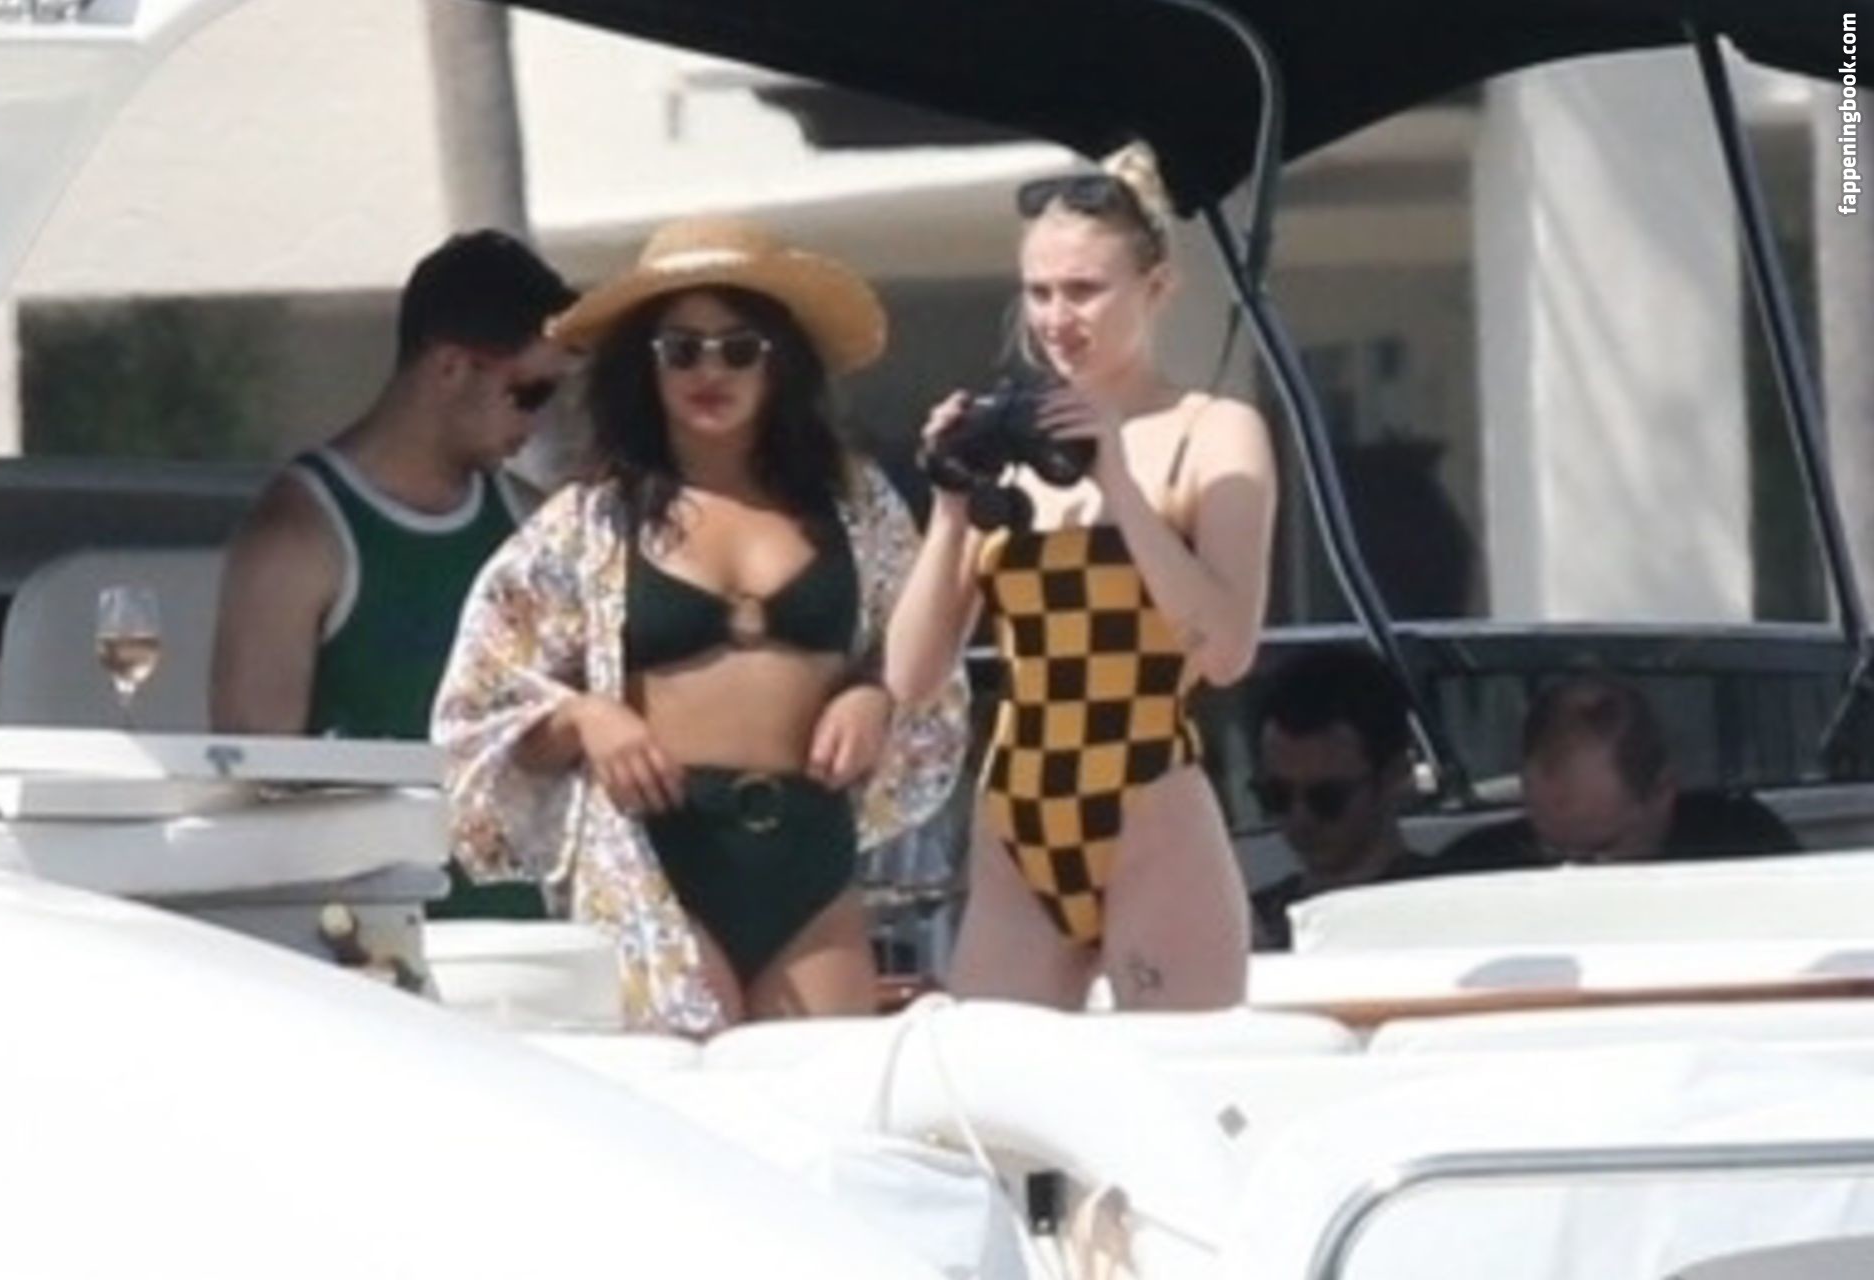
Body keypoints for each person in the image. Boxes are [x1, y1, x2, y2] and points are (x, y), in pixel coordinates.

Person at [431, 215, 969, 1034]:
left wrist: (873, 695)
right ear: (643, 366)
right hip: (656, 861)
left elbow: (926, 657)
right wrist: (585, 717)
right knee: (675, 1098)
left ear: (778, 361)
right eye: (680, 349)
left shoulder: (858, 506)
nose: (708, 371)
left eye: (738, 349)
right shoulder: (589, 522)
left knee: (826, 1096)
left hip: (812, 857)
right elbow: (479, 706)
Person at [886, 145, 1278, 1011]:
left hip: (1146, 801)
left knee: (1174, 1073)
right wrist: (949, 507)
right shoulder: (1011, 443)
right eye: (1039, 293)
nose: (1058, 319)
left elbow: (1225, 651)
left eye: (1084, 291)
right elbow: (910, 677)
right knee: (996, 1081)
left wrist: (1120, 487)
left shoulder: (1212, 432)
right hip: (1020, 809)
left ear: (1156, 287)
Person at [211, 229, 576, 920]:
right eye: (529, 392)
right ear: (450, 368)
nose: (537, 421)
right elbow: (254, 787)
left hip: (520, 938)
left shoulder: (535, 527)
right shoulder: (298, 536)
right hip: (364, 942)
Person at [1434, 673, 1797, 871]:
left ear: (1662, 792)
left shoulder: (1746, 853)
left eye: (1598, 853)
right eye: (1549, 850)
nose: (1572, 876)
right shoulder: (1474, 870)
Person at [1246, 645, 1432, 949]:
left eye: (1327, 798)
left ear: (1394, 777)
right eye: (1276, 796)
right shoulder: (1248, 925)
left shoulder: (1446, 905)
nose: (1300, 818)